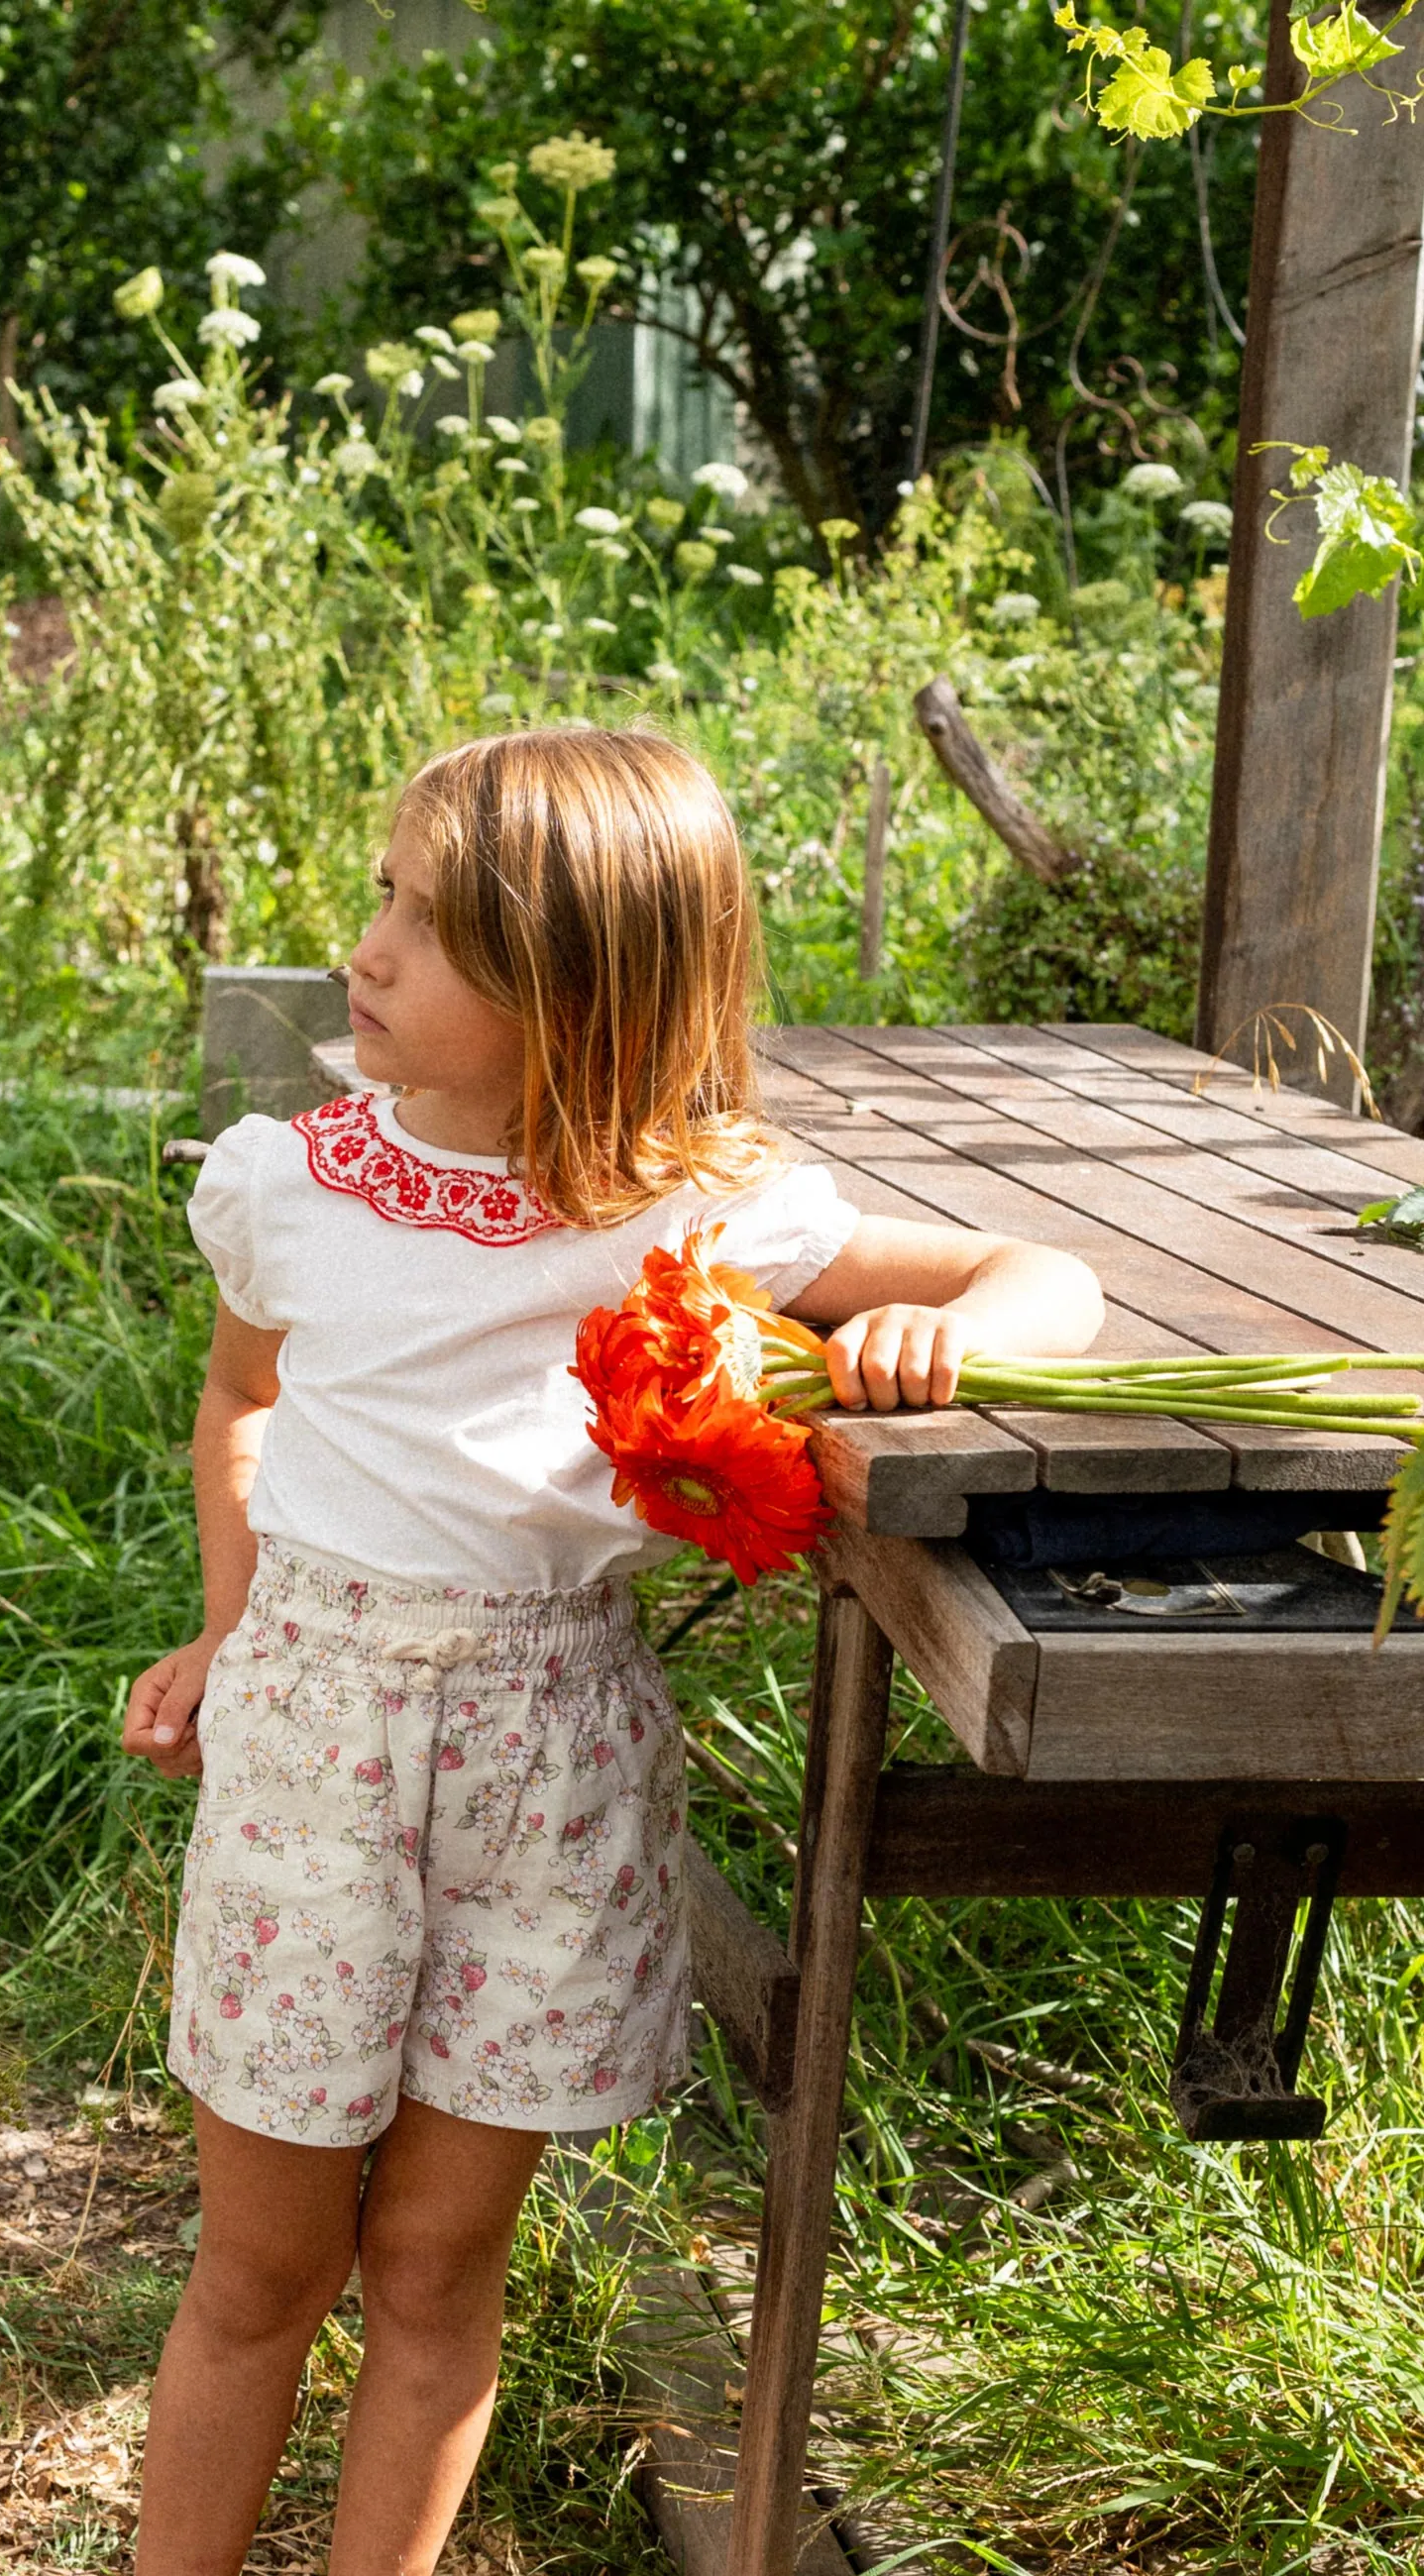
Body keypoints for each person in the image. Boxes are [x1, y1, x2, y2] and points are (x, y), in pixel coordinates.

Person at [124, 726, 1103, 2573]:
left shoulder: (704, 1215)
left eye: (430, 927)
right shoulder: (300, 1187)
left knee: (432, 2260)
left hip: (548, 1773)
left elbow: (1033, 1276)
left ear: (585, 991)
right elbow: (241, 1404)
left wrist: (941, 1345)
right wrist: (231, 1631)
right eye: (383, 900)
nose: (368, 953)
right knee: (264, 2263)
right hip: (311, 1760)